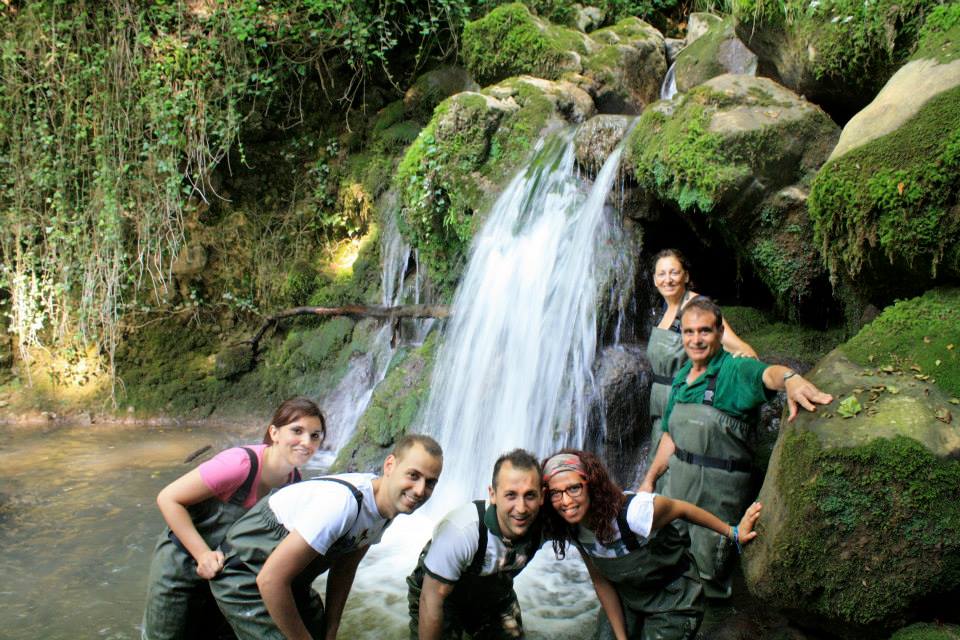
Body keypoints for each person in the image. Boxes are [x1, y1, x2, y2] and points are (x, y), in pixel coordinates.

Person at [640, 296, 832, 599]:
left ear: (719, 333)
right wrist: (649, 481)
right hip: (676, 490)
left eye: (704, 331)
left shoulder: (734, 372)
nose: (696, 339)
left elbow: (767, 374)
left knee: (708, 578)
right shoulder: (680, 379)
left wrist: (791, 379)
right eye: (688, 332)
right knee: (672, 569)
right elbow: (669, 437)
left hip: (716, 499)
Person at [211, 433, 444, 640]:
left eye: (431, 483)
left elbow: (344, 569)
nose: (420, 490)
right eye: (413, 475)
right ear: (390, 465)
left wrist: (331, 629)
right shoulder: (343, 504)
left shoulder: (384, 510)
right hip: (243, 576)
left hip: (290, 580)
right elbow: (269, 580)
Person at [143, 396, 326, 640]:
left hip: (227, 575)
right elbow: (168, 498)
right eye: (297, 431)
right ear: (274, 432)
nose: (306, 442)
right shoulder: (239, 464)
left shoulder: (294, 484)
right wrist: (203, 555)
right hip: (181, 564)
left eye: (315, 435)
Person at [542, 450, 761, 640]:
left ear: (591, 485)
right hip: (630, 599)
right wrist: (621, 637)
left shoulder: (636, 513)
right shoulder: (572, 526)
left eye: (574, 489)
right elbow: (601, 582)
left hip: (675, 602)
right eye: (555, 493)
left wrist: (733, 532)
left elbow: (683, 509)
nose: (566, 501)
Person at [646, 249, 757, 486]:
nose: (668, 279)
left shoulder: (697, 307)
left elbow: (740, 347)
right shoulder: (665, 312)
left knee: (678, 476)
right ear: (655, 280)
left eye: (674, 272)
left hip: (685, 404)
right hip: (661, 407)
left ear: (686, 276)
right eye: (662, 274)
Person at [407, 449, 545, 640]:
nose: (521, 509)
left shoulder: (546, 524)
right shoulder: (461, 531)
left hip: (494, 595)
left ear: (542, 496)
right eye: (511, 495)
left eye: (530, 495)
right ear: (493, 495)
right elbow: (431, 601)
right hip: (439, 594)